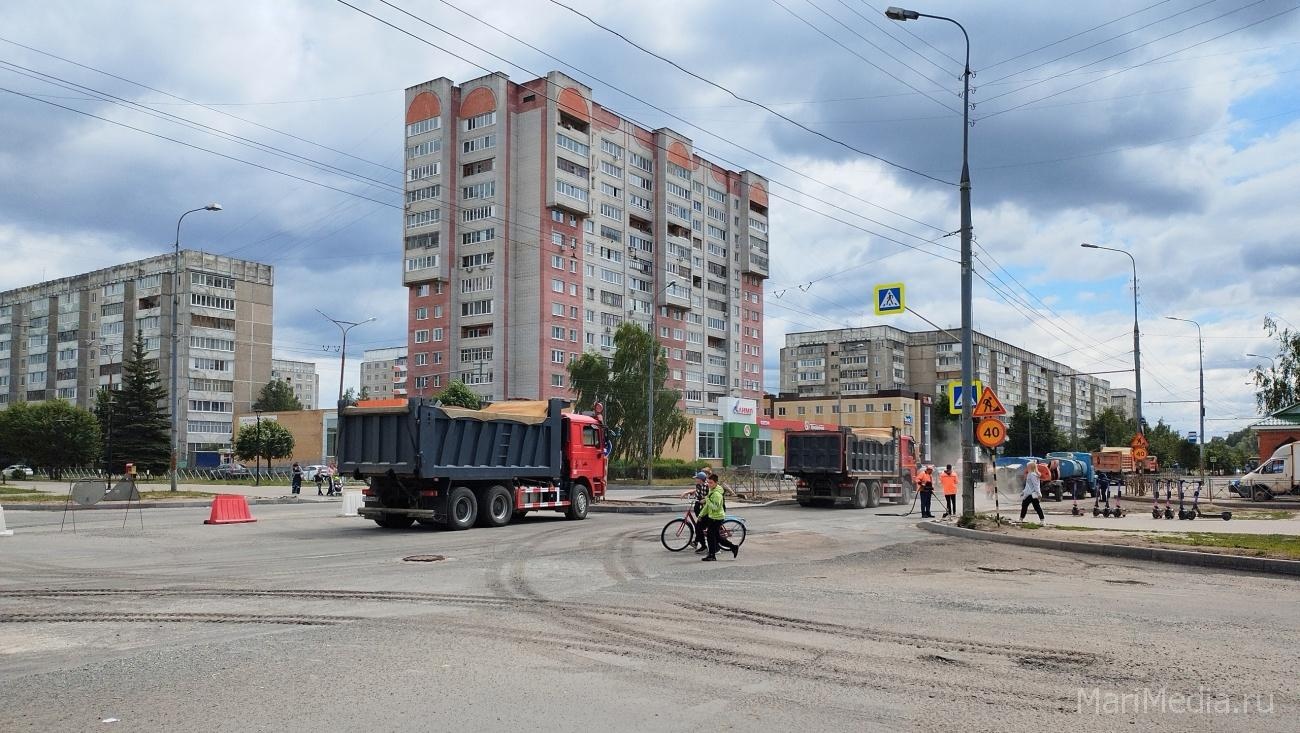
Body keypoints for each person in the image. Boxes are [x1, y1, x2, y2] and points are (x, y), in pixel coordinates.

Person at [698, 474, 738, 561]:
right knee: (717, 537)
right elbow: (707, 506)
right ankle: (733, 547)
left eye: (711, 483)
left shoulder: (717, 494)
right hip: (712, 517)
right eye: (708, 482)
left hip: (717, 518)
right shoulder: (712, 490)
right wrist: (701, 515)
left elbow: (715, 507)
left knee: (710, 536)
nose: (709, 484)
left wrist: (707, 499)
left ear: (716, 483)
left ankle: (712, 555)